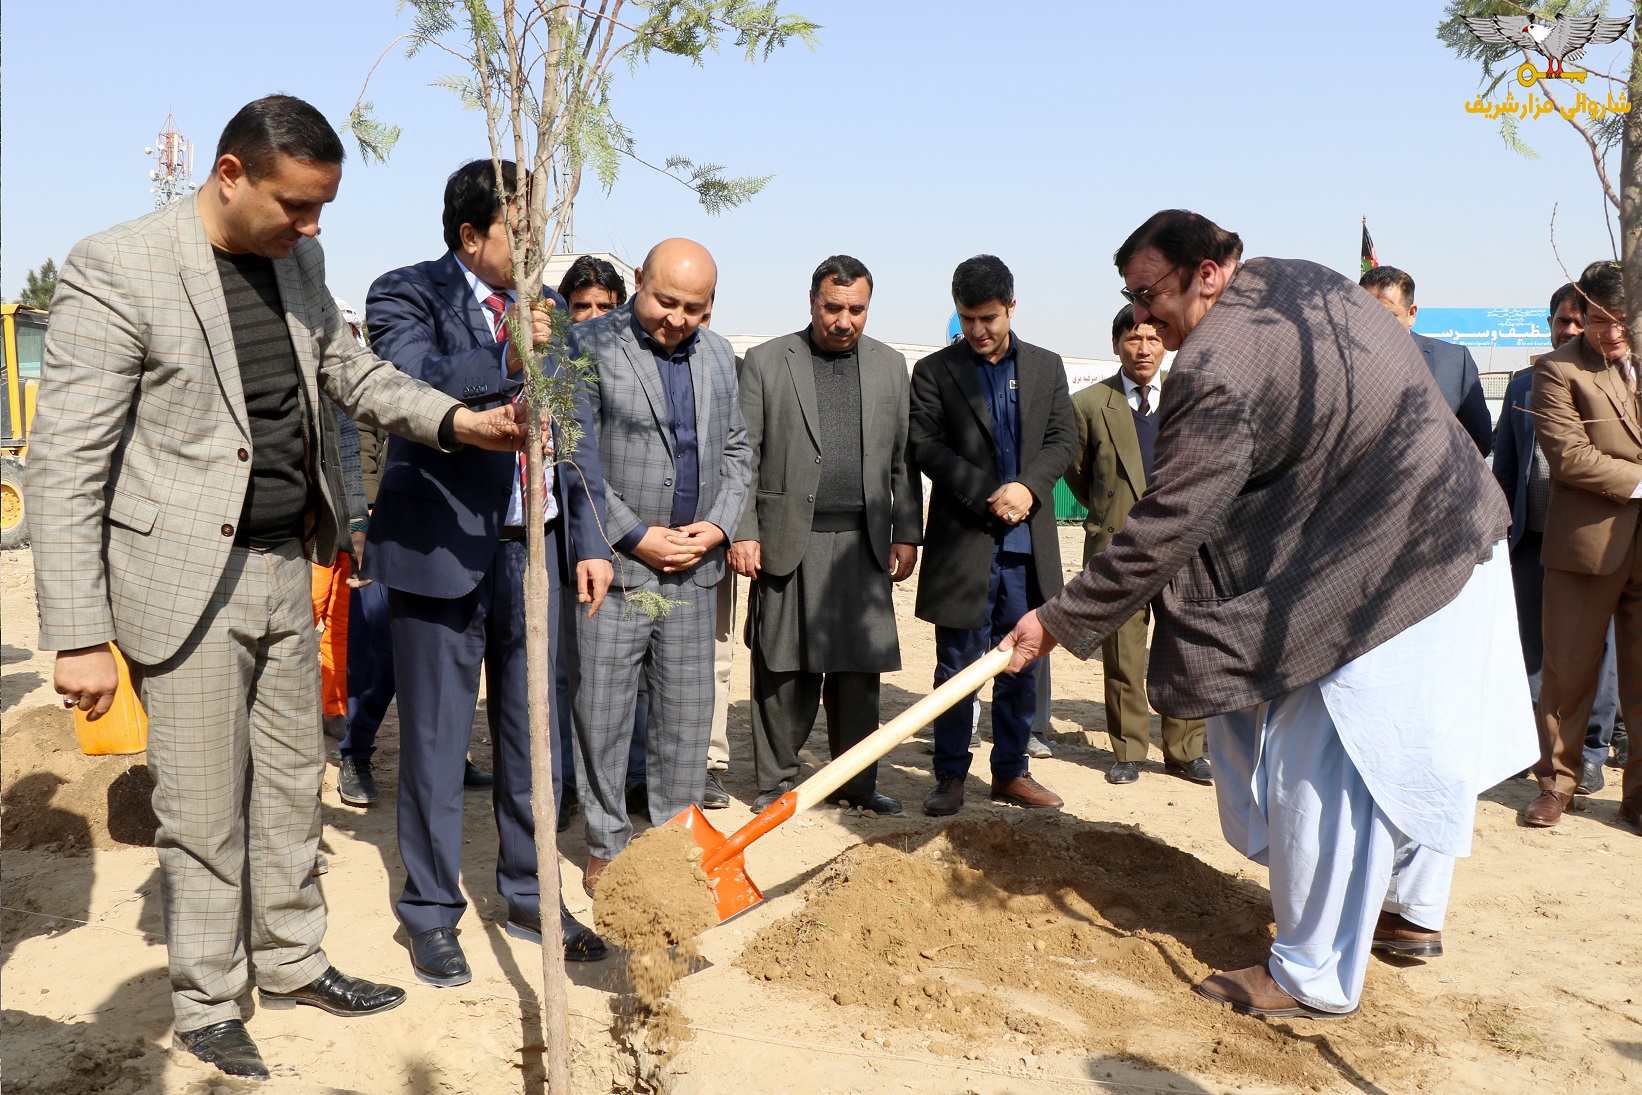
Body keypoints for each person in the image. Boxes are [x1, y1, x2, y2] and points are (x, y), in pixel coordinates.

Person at [25, 95, 532, 1081]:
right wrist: (79, 630)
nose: (312, 229)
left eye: (322, 211)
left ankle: (296, 960)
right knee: (207, 811)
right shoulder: (119, 266)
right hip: (183, 581)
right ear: (230, 174)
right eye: (296, 207)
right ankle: (212, 1001)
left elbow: (352, 374)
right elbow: (67, 460)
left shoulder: (297, 262)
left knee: (294, 783)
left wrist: (458, 424)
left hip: (283, 567)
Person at [1003, 209, 1535, 1019]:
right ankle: (1407, 914)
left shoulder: (1215, 367)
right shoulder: (1302, 279)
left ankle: (1308, 973)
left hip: (1390, 576)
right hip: (1457, 537)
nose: (1140, 318)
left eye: (1149, 296)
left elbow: (1170, 522)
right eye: (1130, 298)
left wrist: (1060, 619)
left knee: (1318, 769)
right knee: (1418, 748)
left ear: (1208, 272)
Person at [364, 159, 615, 985]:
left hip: (532, 549)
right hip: (441, 549)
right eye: (521, 228)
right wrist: (509, 347)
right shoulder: (404, 293)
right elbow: (409, 381)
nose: (537, 245)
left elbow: (572, 436)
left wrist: (586, 539)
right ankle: (431, 913)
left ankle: (532, 888)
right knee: (435, 739)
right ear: (472, 236)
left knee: (531, 733)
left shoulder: (546, 315)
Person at [567, 238, 751, 893]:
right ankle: (606, 842)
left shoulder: (721, 355)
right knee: (605, 711)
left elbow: (736, 451)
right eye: (665, 300)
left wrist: (720, 525)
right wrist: (634, 534)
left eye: (693, 308)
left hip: (695, 572)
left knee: (685, 714)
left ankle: (675, 840)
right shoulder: (586, 348)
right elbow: (576, 458)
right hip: (618, 571)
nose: (677, 317)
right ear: (638, 280)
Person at [731, 255, 922, 815]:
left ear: (868, 306)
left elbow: (901, 458)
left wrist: (906, 530)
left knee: (858, 673)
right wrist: (743, 531)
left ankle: (856, 786)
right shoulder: (767, 362)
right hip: (787, 539)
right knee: (781, 665)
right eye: (832, 307)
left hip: (862, 544)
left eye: (856, 309)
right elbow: (744, 457)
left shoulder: (890, 366)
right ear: (812, 302)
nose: (844, 320)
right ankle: (777, 784)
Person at [910, 255, 1076, 818]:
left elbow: (1062, 439)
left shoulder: (1047, 368)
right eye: (966, 319)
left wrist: (1028, 489)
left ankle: (1011, 772)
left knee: (1021, 659)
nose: (978, 331)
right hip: (965, 545)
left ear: (1011, 306)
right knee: (956, 666)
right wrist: (989, 492)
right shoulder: (934, 372)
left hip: (1027, 547)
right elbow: (928, 447)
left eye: (988, 318)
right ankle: (950, 775)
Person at [1065, 305, 1209, 786]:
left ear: (1164, 343)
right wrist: (1115, 515)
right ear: (1116, 345)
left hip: (1183, 546)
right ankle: (1127, 750)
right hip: (1118, 549)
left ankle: (1185, 750)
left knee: (1185, 651)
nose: (1143, 348)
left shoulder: (1189, 399)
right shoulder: (1089, 405)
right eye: (1132, 339)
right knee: (1123, 653)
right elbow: (1080, 478)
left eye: (1151, 338)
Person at [1525, 260, 1642, 832]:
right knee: (1567, 673)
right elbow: (1569, 457)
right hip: (1586, 546)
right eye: (1601, 319)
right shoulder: (1557, 370)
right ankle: (1556, 785)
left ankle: (1637, 795)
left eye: (1624, 319)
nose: (1613, 331)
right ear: (1584, 309)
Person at [1492, 283, 1620, 796]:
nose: (1569, 330)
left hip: (1595, 542)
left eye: (1577, 321)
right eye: (1561, 322)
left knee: (1597, 652)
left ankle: (1589, 751)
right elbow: (1504, 465)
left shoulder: (1612, 383)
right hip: (1532, 541)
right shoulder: (1526, 385)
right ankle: (1532, 747)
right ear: (1549, 324)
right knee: (1533, 652)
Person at [1359, 265, 1492, 455]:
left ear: (1411, 313)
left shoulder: (1454, 362)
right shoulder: (1338, 362)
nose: (1377, 324)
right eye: (1368, 315)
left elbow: (1478, 443)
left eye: (1389, 316)